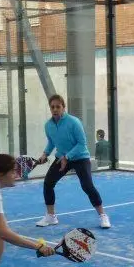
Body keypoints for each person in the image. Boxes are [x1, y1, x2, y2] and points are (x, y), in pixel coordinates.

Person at [36, 94, 111, 229]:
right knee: (48, 183)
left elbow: (82, 143)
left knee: (87, 186)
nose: (55, 109)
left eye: (58, 107)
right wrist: (45, 153)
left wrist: (67, 157)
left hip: (80, 157)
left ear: (63, 107)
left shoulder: (74, 122)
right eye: (52, 107)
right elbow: (52, 142)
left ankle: (103, 215)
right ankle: (51, 217)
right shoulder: (48, 125)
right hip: (62, 157)